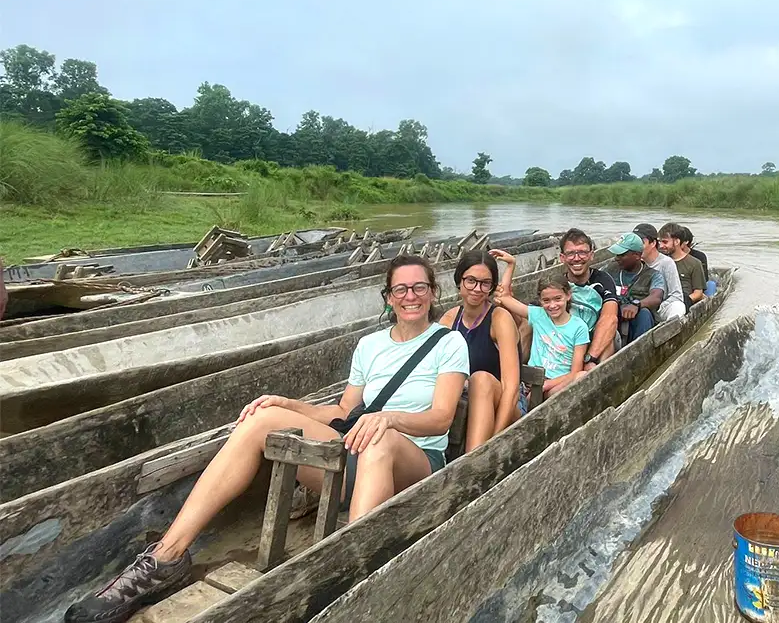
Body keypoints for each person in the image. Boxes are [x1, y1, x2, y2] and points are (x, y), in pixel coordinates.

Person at [65, 255, 469, 623]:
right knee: (263, 419)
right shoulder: (370, 345)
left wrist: (389, 419)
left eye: (420, 287)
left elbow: (440, 419)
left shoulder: (448, 342)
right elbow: (344, 412)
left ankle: (346, 568)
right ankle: (166, 556)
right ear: (388, 297)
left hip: (414, 462)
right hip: (356, 457)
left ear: (433, 292)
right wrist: (289, 404)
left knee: (381, 439)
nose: (411, 296)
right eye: (401, 289)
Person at [493, 229, 619, 371]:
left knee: (610, 332)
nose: (577, 258)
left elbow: (610, 318)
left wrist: (590, 358)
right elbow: (529, 312)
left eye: (582, 252)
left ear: (591, 255)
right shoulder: (558, 285)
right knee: (528, 324)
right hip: (563, 337)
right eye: (571, 253)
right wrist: (510, 272)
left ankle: (595, 375)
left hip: (592, 338)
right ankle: (517, 369)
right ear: (562, 258)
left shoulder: (602, 280)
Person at [438, 250, 520, 452]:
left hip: (505, 404)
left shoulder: (499, 319)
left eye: (485, 283)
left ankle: (474, 457)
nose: (477, 289)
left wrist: (496, 438)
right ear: (460, 281)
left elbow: (511, 388)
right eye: (471, 281)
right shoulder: (449, 320)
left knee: (480, 379)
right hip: (463, 400)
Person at [492, 272, 590, 407]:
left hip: (557, 384)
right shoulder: (538, 315)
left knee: (581, 376)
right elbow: (504, 297)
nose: (552, 305)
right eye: (546, 300)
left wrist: (547, 385)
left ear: (568, 295)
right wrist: (510, 265)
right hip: (532, 380)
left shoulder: (579, 327)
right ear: (540, 300)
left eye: (558, 299)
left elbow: (575, 371)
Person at [602, 232, 666, 343]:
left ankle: (640, 348)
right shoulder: (610, 269)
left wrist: (637, 305)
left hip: (638, 321)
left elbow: (656, 297)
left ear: (636, 256)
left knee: (644, 314)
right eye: (616, 255)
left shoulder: (653, 275)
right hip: (614, 315)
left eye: (621, 255)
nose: (617, 258)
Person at [632, 223, 686, 321]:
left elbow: (676, 295)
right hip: (637, 307)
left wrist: (659, 307)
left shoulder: (666, 263)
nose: (637, 247)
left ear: (653, 243)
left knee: (678, 306)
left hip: (660, 308)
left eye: (641, 243)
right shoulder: (633, 262)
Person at [656, 222, 706, 309]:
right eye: (659, 242)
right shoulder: (659, 260)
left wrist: (684, 301)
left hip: (683, 301)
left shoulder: (694, 263)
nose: (661, 246)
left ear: (677, 241)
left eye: (665, 242)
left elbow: (698, 293)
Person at [680, 226, 716, 297]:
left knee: (711, 284)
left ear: (686, 241)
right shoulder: (669, 256)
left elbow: (704, 278)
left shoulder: (699, 256)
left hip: (697, 287)